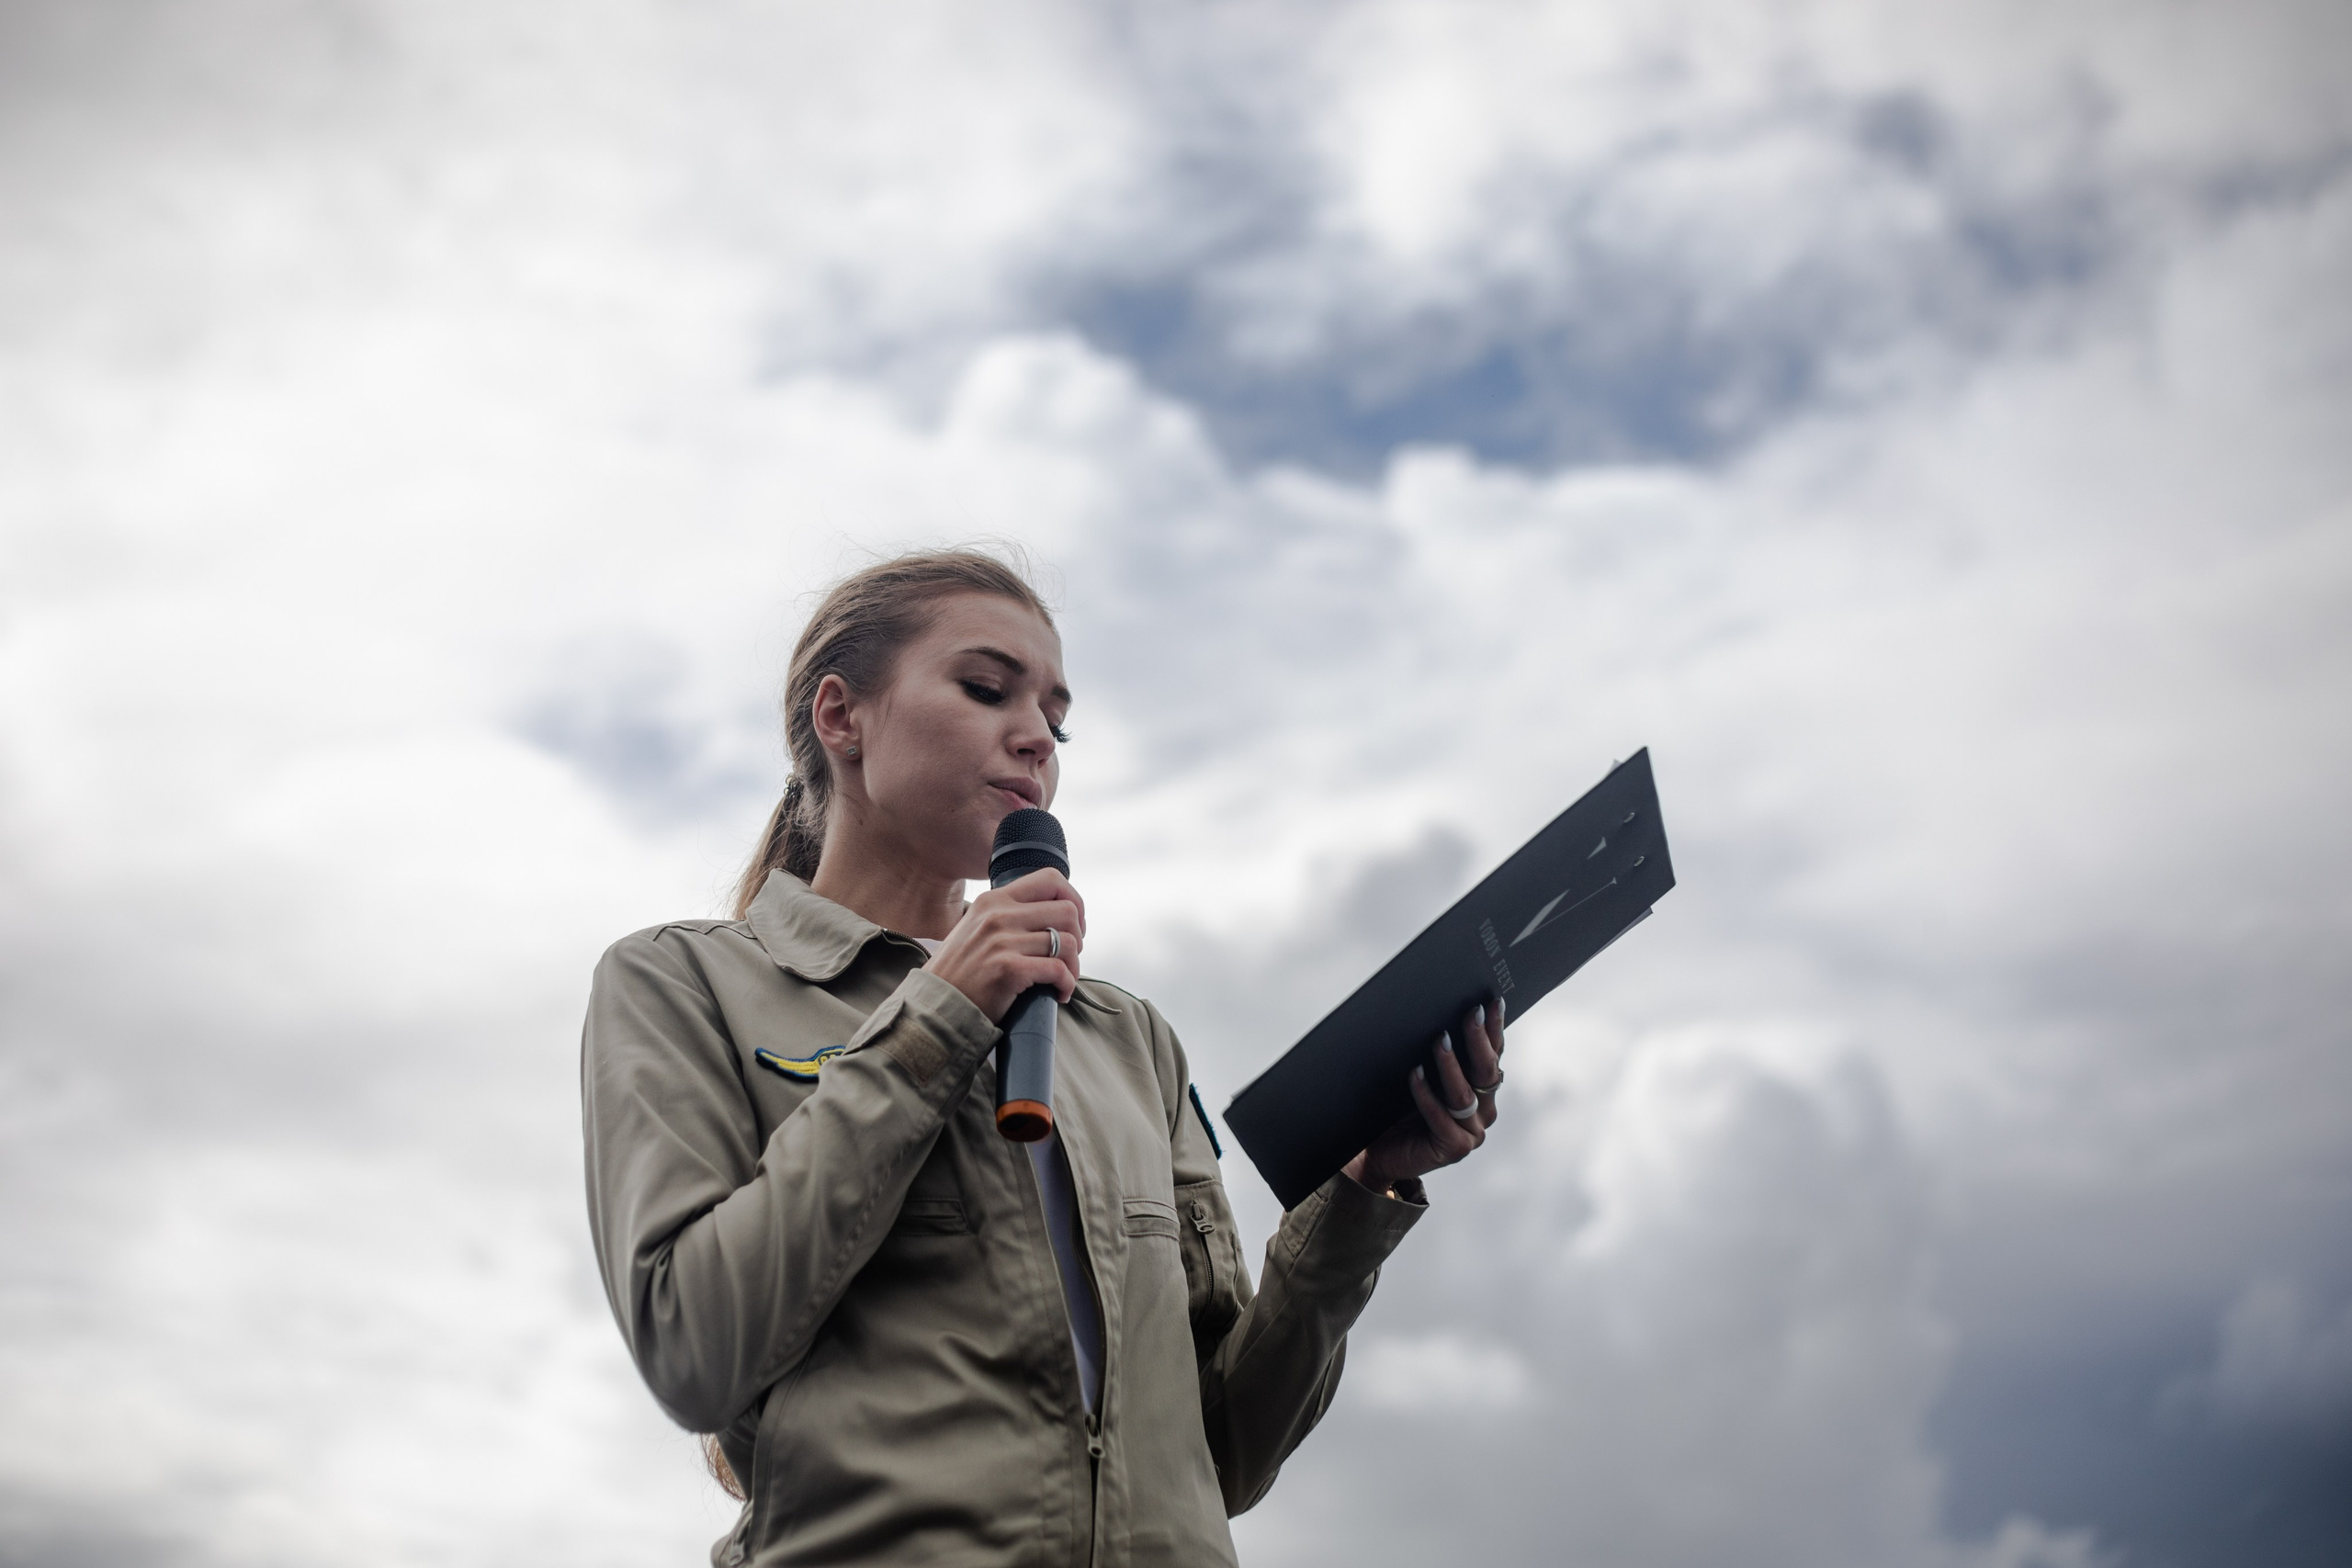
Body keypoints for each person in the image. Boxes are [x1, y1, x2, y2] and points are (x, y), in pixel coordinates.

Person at [581, 549, 1506, 1567]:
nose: (1034, 739)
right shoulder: (681, 985)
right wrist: (936, 1019)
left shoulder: (1125, 1037)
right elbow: (691, 1350)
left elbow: (1223, 1454)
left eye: (1055, 722)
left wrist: (1362, 1194)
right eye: (985, 690)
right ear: (839, 718)